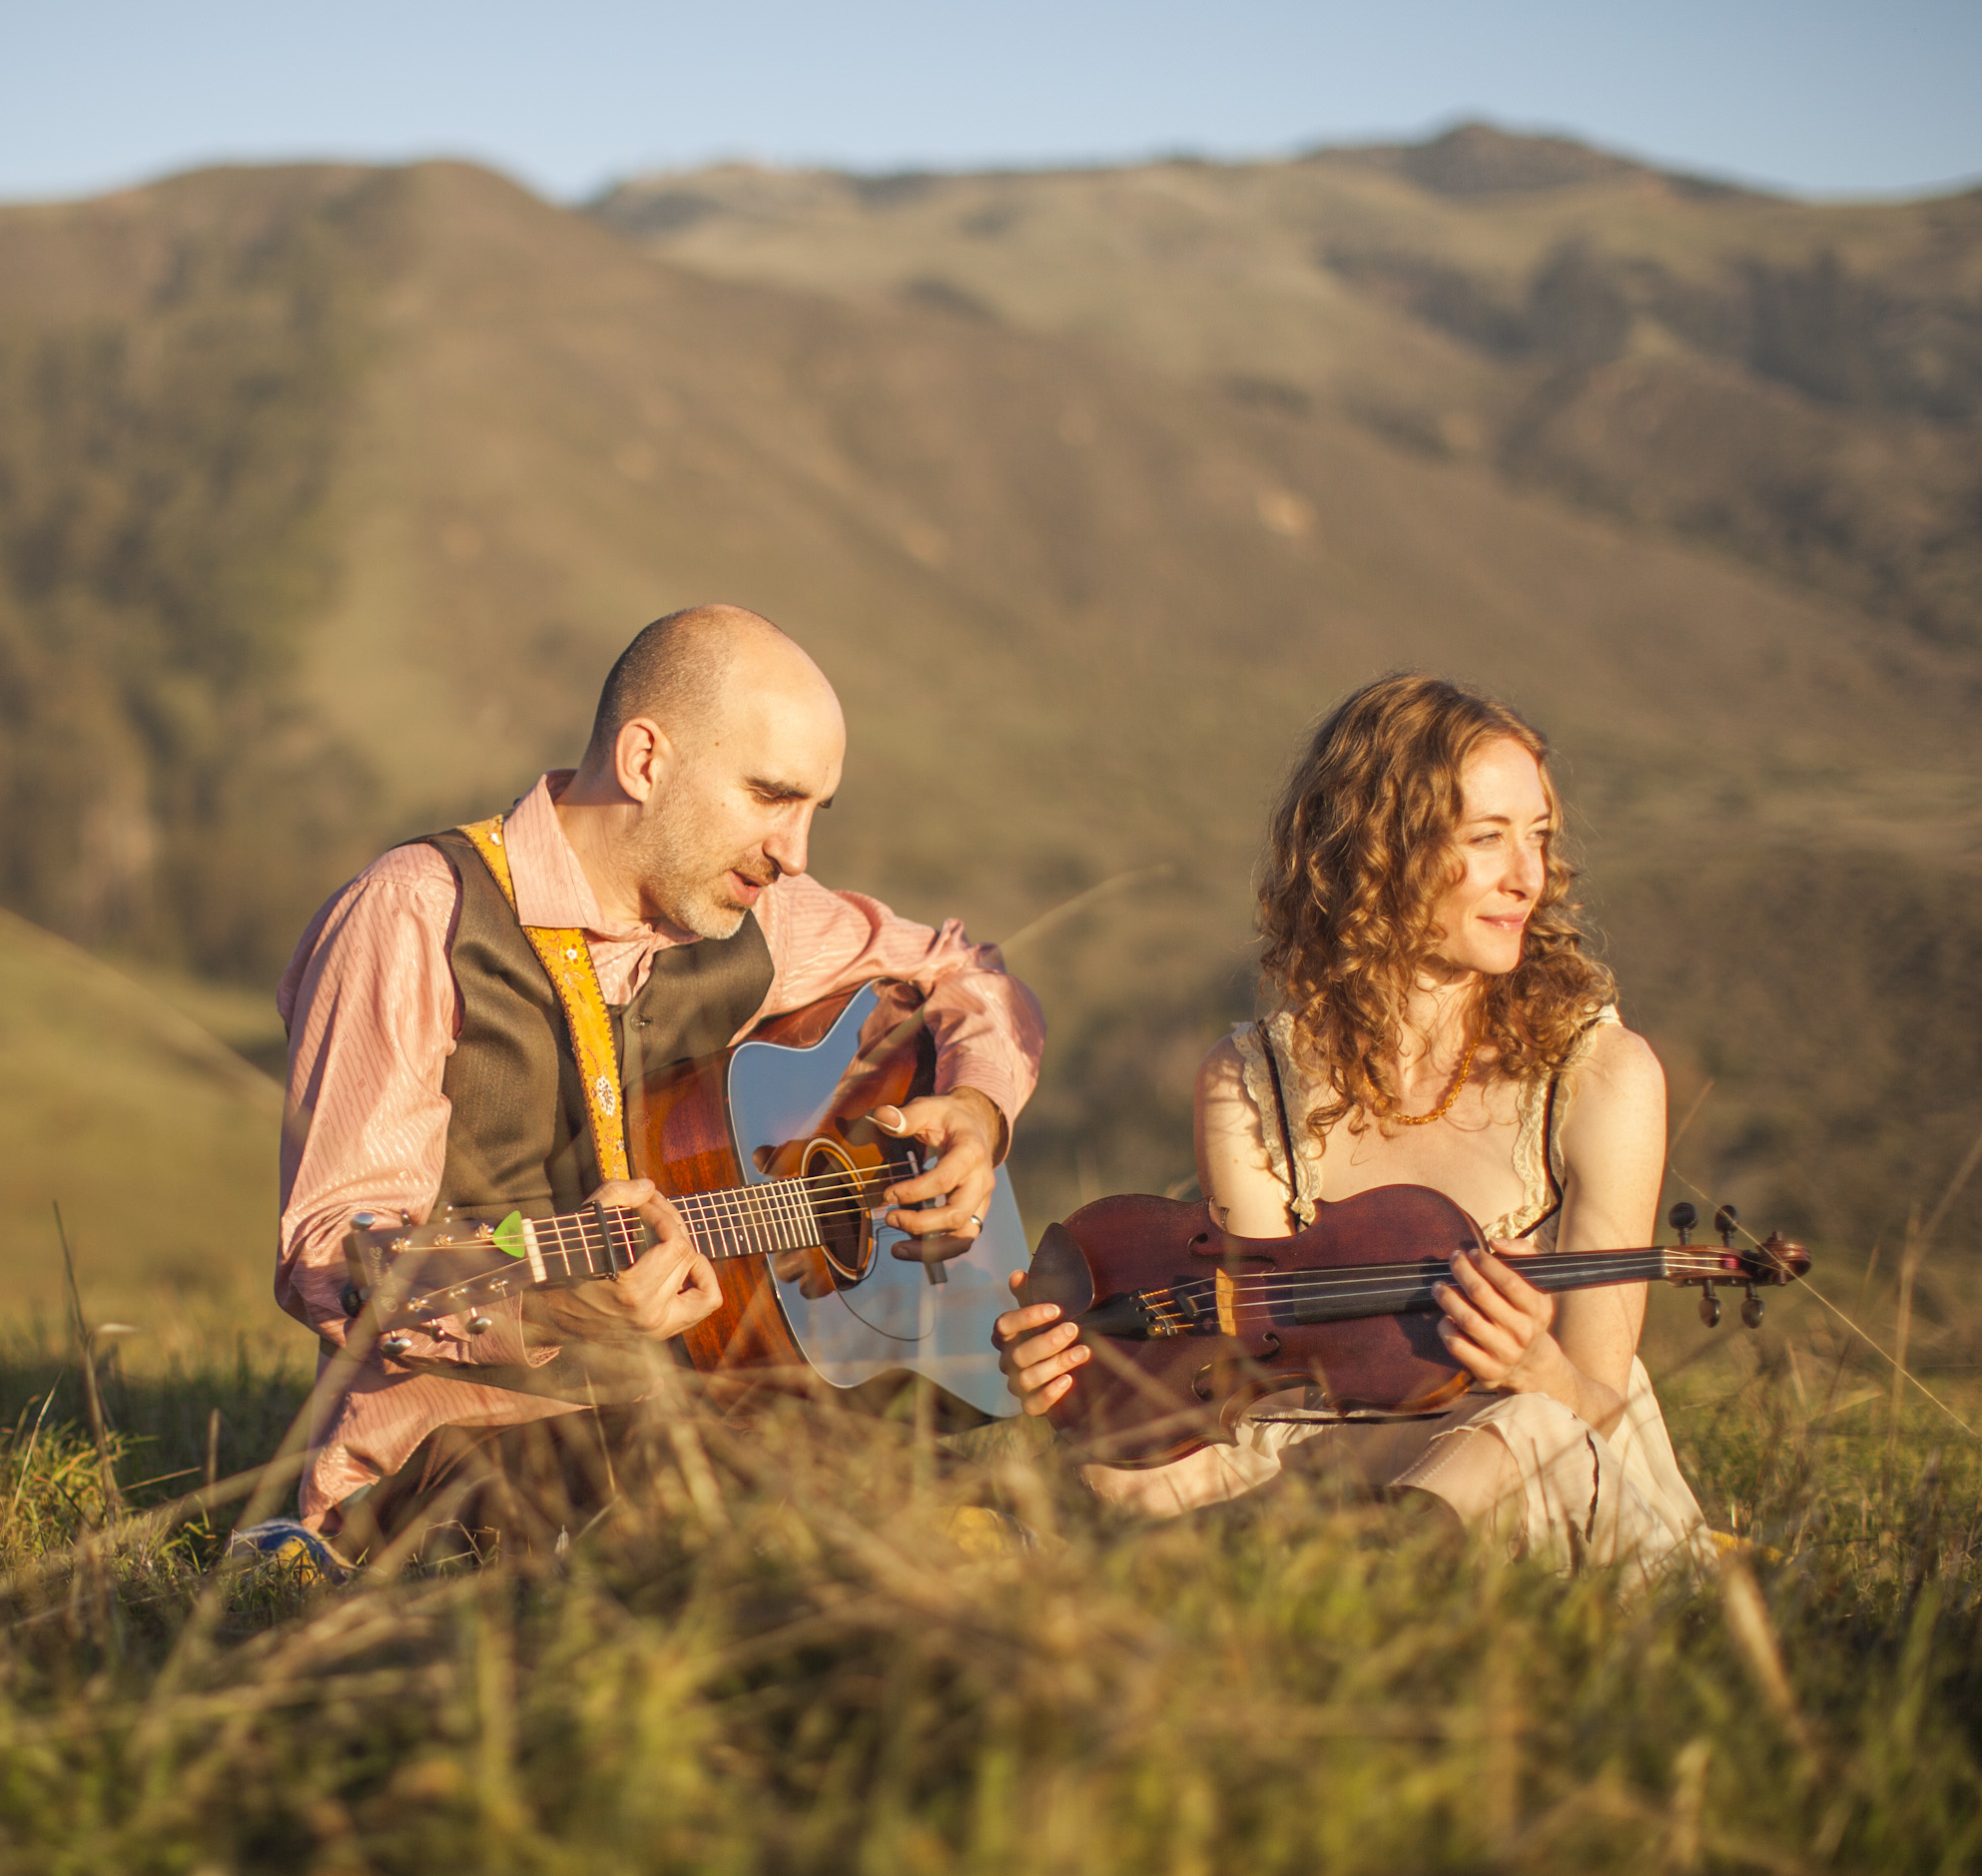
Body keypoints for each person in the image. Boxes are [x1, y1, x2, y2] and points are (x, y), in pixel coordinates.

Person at [260, 605, 1042, 1566]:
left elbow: (968, 974)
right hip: (463, 1450)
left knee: (968, 1532)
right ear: (643, 760)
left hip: (724, 1411)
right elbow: (334, 1258)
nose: (795, 853)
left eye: (811, 812)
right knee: (871, 1542)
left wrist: (976, 1109)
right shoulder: (416, 914)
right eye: (769, 797)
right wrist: (547, 1310)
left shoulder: (767, 919)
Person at [993, 674, 1709, 1576]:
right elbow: (1247, 1360)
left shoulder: (1602, 1075)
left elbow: (1597, 1404)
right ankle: (1326, 1568)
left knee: (1526, 1430)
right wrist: (1082, 1364)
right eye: (1487, 840)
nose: (1528, 877)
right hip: (1319, 1450)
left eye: (1536, 838)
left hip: (1516, 1448)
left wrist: (1540, 1367)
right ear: (1379, 852)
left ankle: (1341, 1572)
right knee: (1108, 1471)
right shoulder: (1253, 1079)